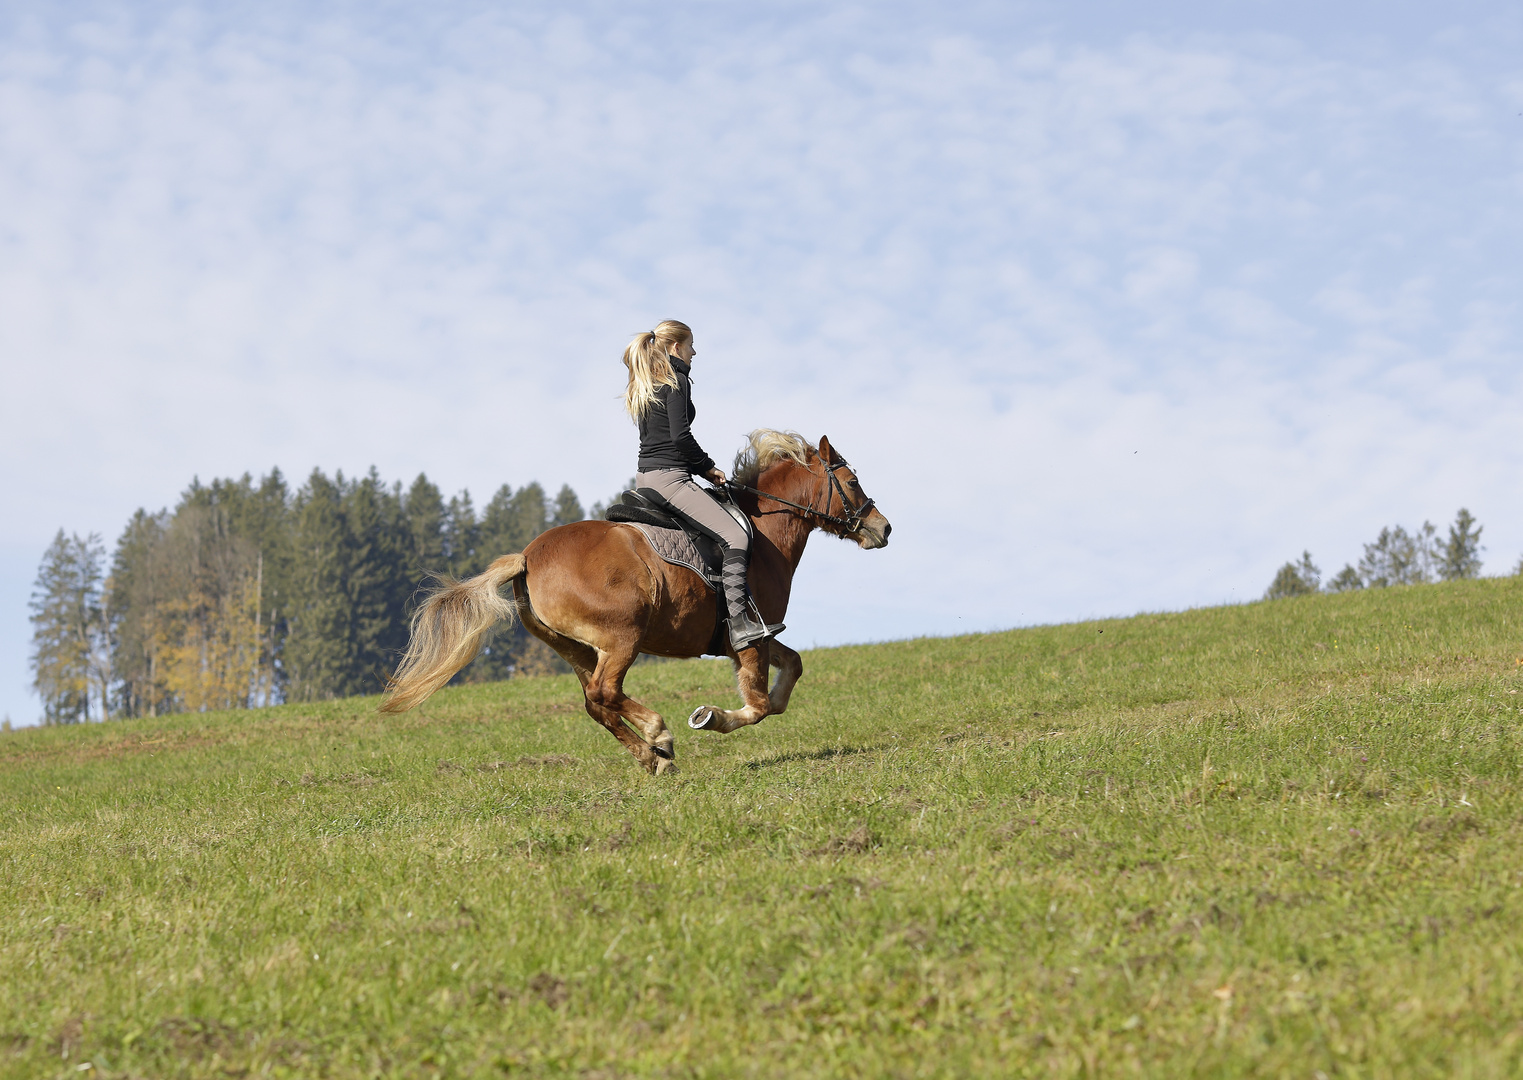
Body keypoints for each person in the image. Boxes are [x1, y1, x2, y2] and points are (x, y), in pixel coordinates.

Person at [623, 319, 776, 650]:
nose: (695, 352)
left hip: (646, 477)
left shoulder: (646, 383)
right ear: (676, 348)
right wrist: (707, 468)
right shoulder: (677, 380)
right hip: (671, 479)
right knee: (736, 534)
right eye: (691, 345)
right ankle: (739, 624)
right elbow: (681, 437)